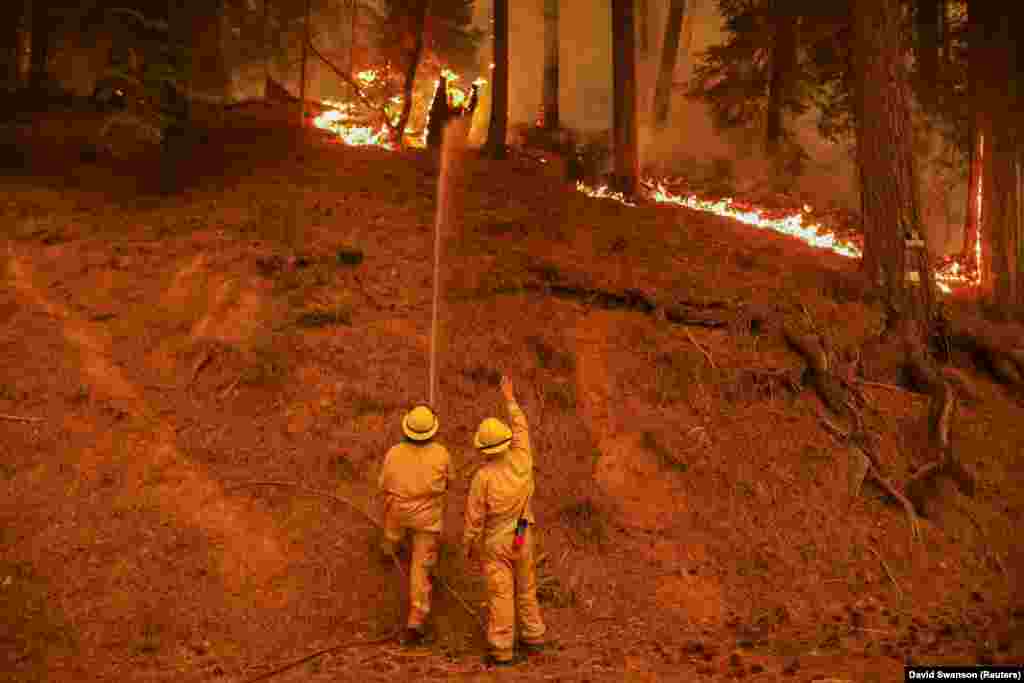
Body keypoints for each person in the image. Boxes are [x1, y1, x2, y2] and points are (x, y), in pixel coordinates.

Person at [463, 376, 548, 667]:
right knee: (526, 587)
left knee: (501, 595)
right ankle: (534, 636)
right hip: (522, 532)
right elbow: (522, 428)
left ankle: (502, 649)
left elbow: (474, 520)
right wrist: (510, 399)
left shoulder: (482, 478)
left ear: (483, 448)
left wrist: (469, 545)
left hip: (496, 542)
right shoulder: (523, 459)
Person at [378, 405, 453, 645]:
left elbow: (383, 485)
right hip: (427, 519)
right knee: (420, 568)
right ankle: (415, 621)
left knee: (392, 518)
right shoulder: (442, 453)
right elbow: (450, 480)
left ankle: (389, 544)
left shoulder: (393, 453)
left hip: (398, 512)